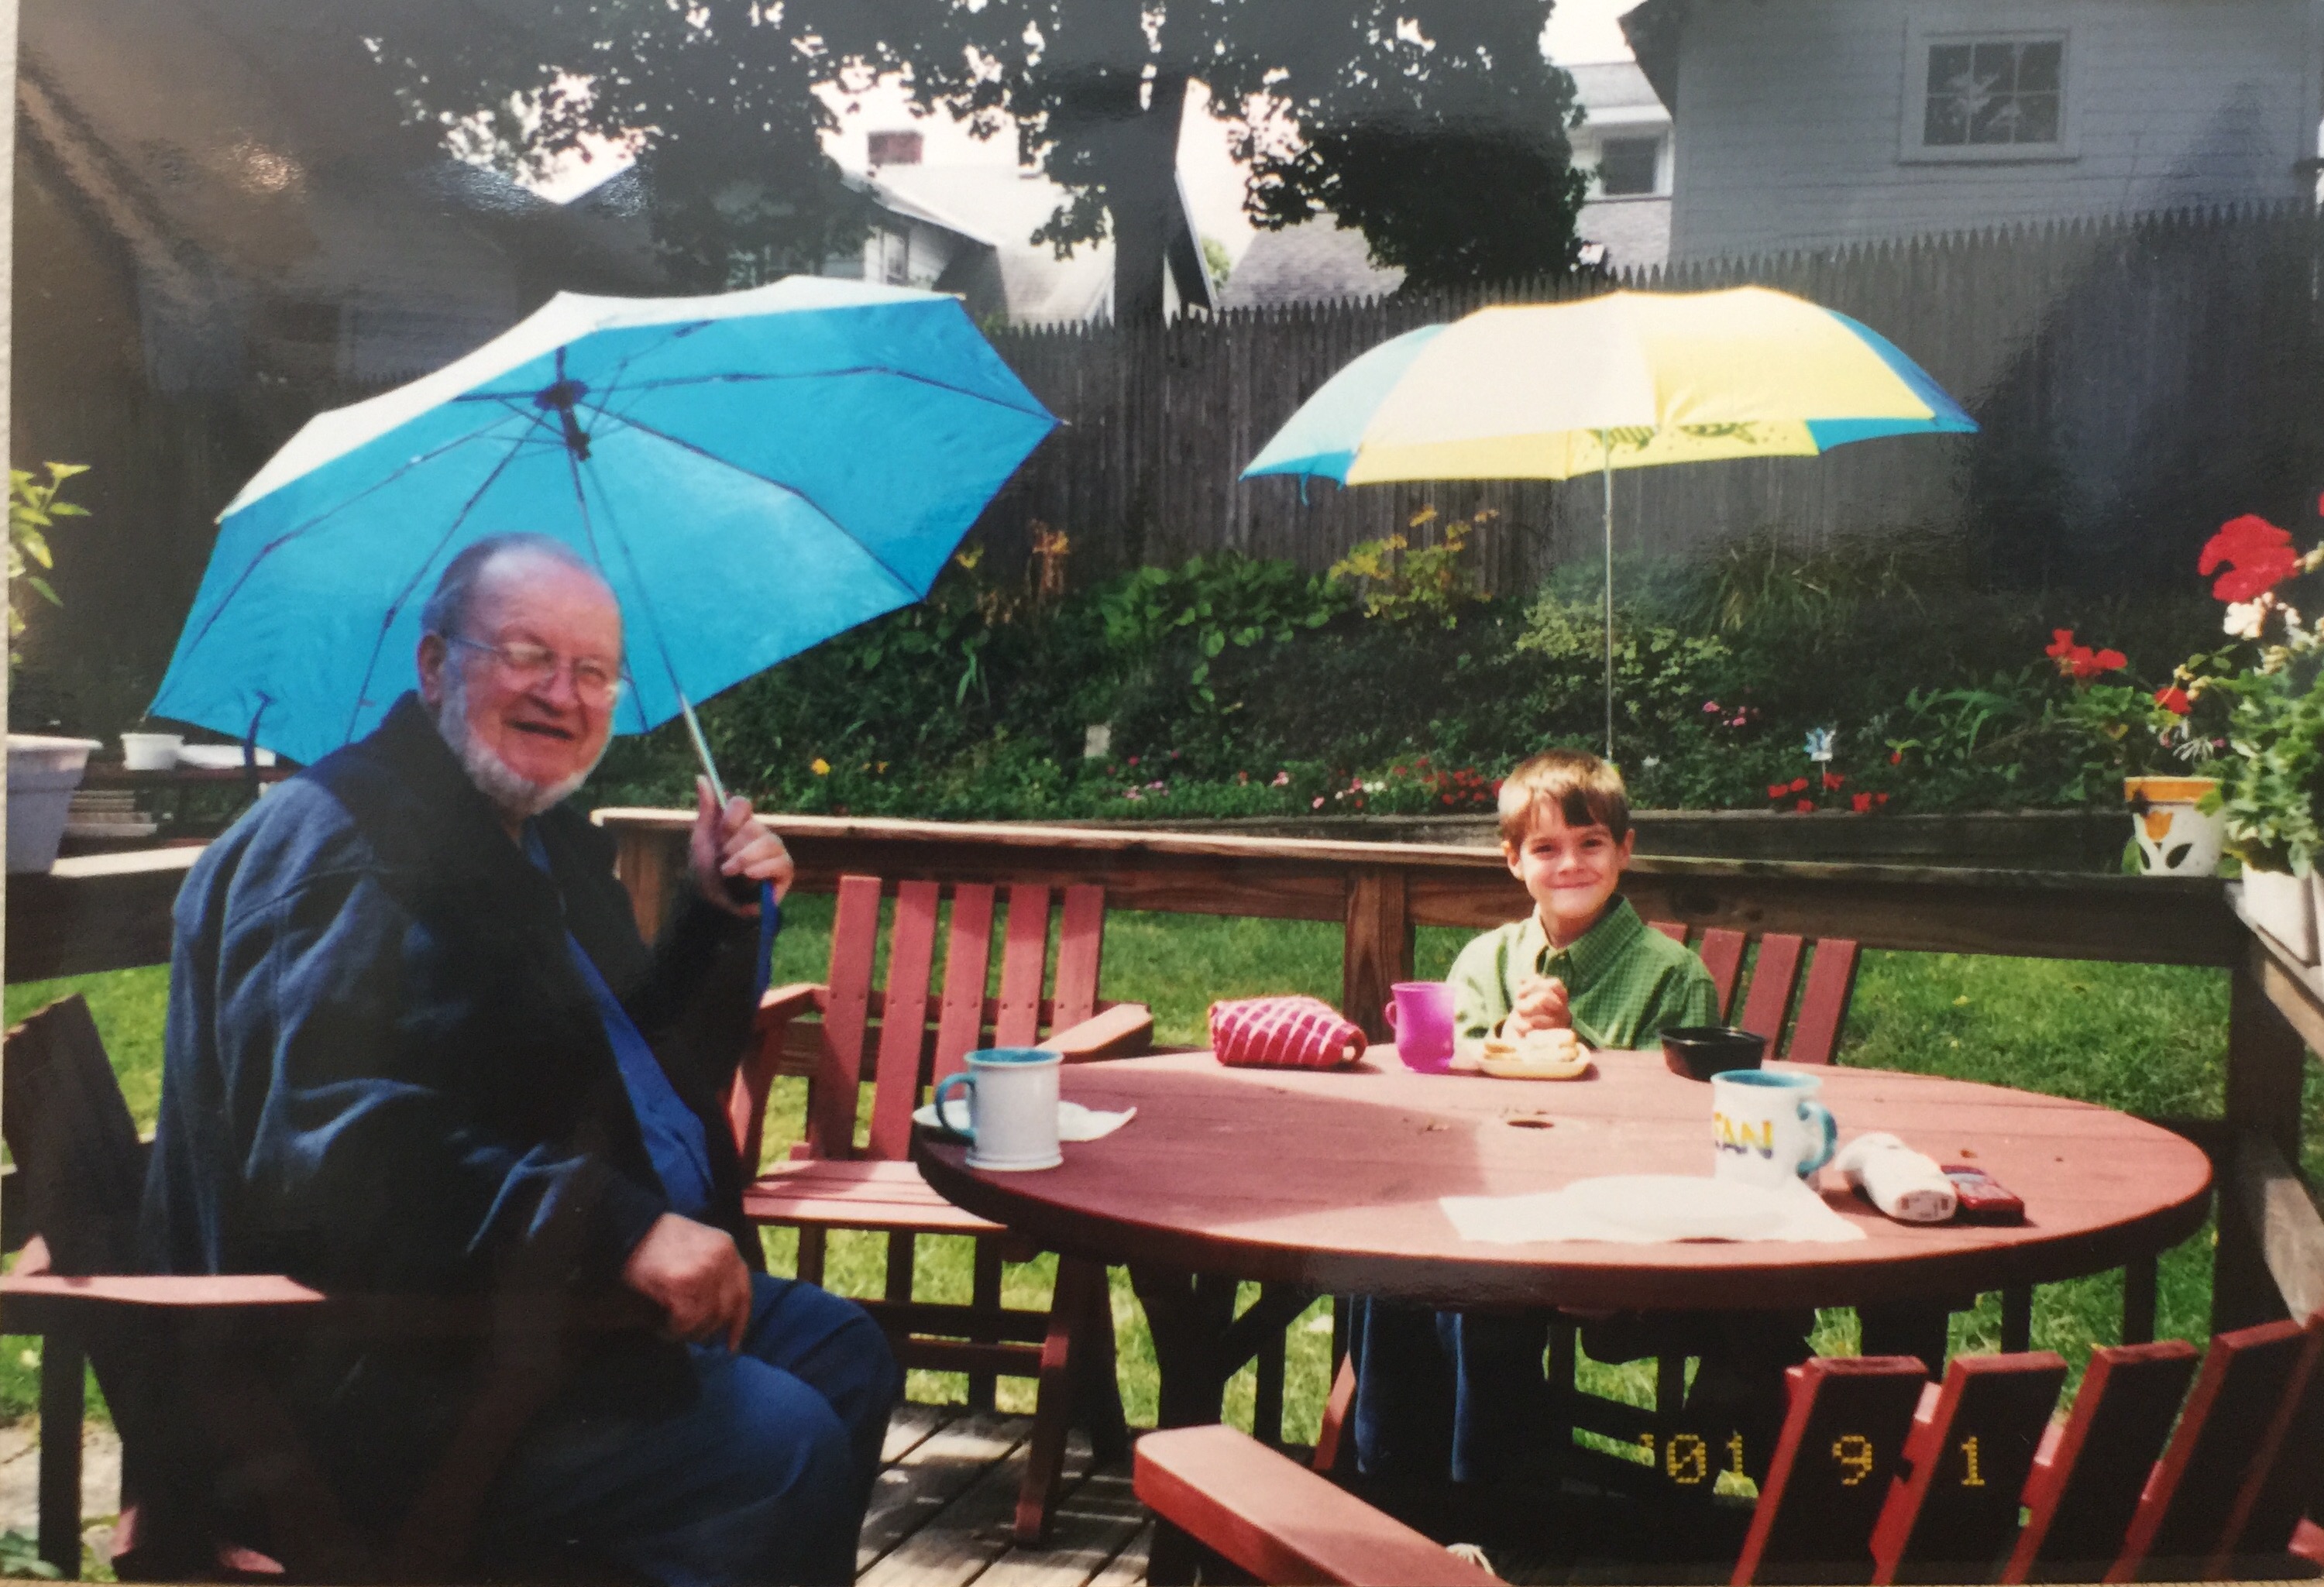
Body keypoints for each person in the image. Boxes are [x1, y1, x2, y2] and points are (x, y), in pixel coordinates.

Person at [142, 532, 900, 1586]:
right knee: (777, 1443)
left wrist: (712, 919)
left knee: (840, 1353)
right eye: (527, 654)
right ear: (436, 665)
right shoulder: (352, 850)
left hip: (507, 1317)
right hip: (367, 1376)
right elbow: (340, 1155)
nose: (563, 692)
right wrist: (622, 1227)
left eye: (593, 670)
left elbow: (615, 1061)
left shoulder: (519, 832)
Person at [1349, 751, 1805, 1514]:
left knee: (1480, 1301)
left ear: (1625, 851)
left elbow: (1672, 1123)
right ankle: (1393, 1494)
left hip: (1614, 1215)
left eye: (1591, 844)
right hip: (1493, 1194)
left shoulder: (1673, 975)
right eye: (1546, 848)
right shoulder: (1484, 959)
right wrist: (1503, 1036)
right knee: (1388, 1278)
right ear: (1513, 861)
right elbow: (1450, 1090)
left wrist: (1572, 1046)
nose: (1570, 864)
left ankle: (1488, 1510)